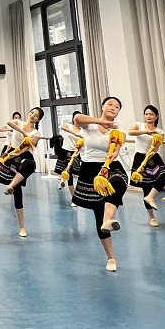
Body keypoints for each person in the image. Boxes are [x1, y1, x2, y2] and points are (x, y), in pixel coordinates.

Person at [73, 98, 128, 272]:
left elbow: (116, 149)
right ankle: (111, 257)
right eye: (110, 104)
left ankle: (108, 219)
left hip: (111, 166)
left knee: (119, 183)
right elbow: (77, 119)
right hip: (90, 170)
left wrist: (111, 157)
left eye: (117, 106)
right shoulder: (90, 124)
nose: (113, 108)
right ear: (102, 106)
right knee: (98, 211)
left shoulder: (119, 129)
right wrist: (100, 121)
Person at [0, 107, 45, 237]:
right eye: (32, 112)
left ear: (38, 119)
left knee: (31, 164)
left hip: (23, 155)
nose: (32, 115)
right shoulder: (18, 122)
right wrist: (23, 133)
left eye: (36, 115)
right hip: (12, 156)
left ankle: (10, 186)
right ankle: (22, 226)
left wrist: (17, 153)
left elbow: (28, 146)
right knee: (18, 193)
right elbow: (9, 122)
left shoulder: (37, 132)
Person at [128, 105, 165, 227]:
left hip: (153, 157)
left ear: (156, 116)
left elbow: (157, 146)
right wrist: (147, 132)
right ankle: (152, 217)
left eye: (151, 114)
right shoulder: (138, 125)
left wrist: (152, 151)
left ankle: (151, 197)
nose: (148, 116)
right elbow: (130, 132)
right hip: (140, 157)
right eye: (146, 114)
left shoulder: (160, 131)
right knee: (146, 187)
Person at [56, 111, 83, 198]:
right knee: (68, 173)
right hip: (64, 150)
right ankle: (72, 196)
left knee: (70, 170)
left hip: (75, 152)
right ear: (73, 119)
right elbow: (62, 127)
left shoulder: (82, 131)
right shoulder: (68, 125)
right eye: (76, 118)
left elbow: (82, 144)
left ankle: (63, 180)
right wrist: (74, 133)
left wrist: (77, 153)